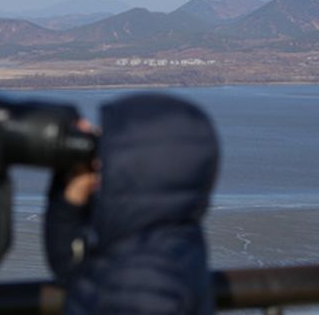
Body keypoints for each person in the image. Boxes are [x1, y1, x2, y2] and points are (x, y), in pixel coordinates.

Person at [45, 93, 220, 314]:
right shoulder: (159, 238)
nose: (99, 157)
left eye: (109, 145)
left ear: (136, 168)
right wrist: (70, 197)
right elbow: (72, 268)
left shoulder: (145, 277)